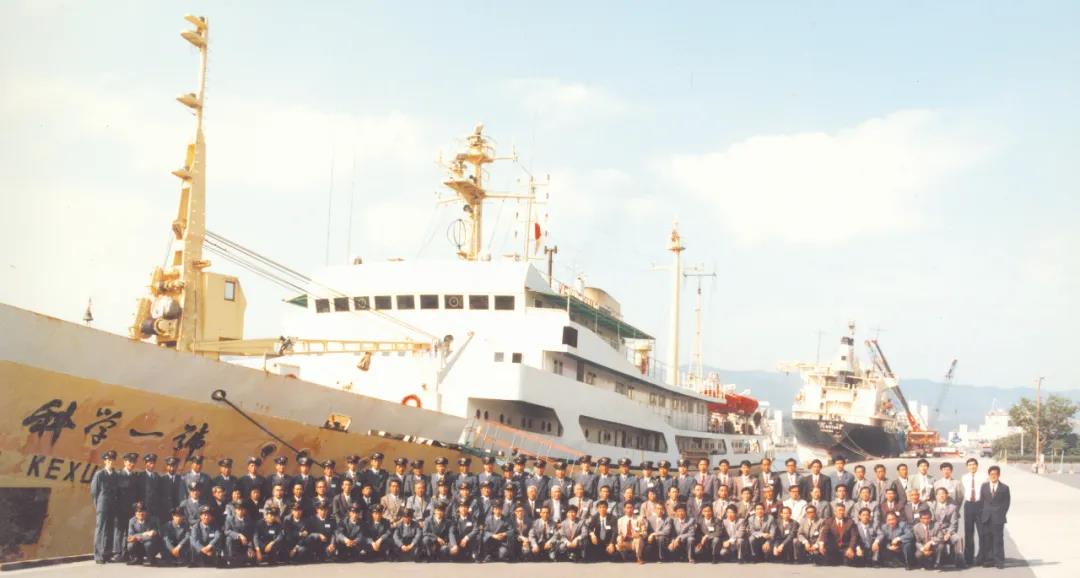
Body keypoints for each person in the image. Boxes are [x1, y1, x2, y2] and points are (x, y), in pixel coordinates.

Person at [976, 465, 1009, 569]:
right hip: (986, 517)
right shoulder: (984, 486)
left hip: (998, 518)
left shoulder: (1004, 488)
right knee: (987, 539)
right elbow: (981, 501)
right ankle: (989, 560)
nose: (993, 476)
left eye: (995, 474)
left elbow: (1006, 503)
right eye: (991, 474)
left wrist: (1001, 514)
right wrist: (982, 514)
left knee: (998, 540)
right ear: (989, 475)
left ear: (999, 475)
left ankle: (999, 561)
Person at [91, 449, 119, 564]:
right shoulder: (99, 474)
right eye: (108, 460)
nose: (110, 462)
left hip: (112, 505)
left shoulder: (115, 475)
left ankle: (107, 554)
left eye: (112, 460)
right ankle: (98, 555)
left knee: (110, 529)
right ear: (105, 461)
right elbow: (94, 492)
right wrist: (98, 505)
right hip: (102, 505)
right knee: (100, 529)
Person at [114, 452, 140, 561]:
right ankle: (117, 553)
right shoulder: (118, 475)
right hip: (120, 508)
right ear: (125, 462)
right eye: (130, 462)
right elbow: (115, 493)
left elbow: (137, 494)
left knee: (128, 531)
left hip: (131, 509)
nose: (132, 464)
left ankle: (126, 552)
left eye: (133, 462)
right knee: (119, 531)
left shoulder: (135, 476)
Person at [960, 457, 986, 566]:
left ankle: (982, 557)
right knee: (968, 532)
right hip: (969, 505)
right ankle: (969, 558)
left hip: (980, 505)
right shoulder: (964, 477)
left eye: (974, 464)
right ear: (967, 467)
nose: (972, 466)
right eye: (970, 465)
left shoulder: (984, 476)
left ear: (977, 465)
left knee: (982, 532)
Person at [931, 486, 964, 568]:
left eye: (943, 494)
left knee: (958, 538)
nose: (941, 496)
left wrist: (949, 533)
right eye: (939, 494)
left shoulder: (953, 507)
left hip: (948, 530)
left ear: (947, 495)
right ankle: (936, 562)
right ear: (936, 496)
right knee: (934, 540)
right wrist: (935, 532)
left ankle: (959, 561)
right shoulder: (932, 506)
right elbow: (931, 522)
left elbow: (954, 523)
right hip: (936, 531)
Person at [224, 499, 256, 566]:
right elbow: (227, 531)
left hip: (245, 544)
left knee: (252, 559)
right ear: (235, 510)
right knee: (228, 539)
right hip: (235, 544)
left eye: (242, 509)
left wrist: (250, 548)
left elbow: (252, 534)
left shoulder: (249, 520)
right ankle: (231, 559)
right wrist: (239, 535)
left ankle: (242, 559)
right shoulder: (230, 519)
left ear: (245, 510)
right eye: (238, 509)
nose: (240, 511)